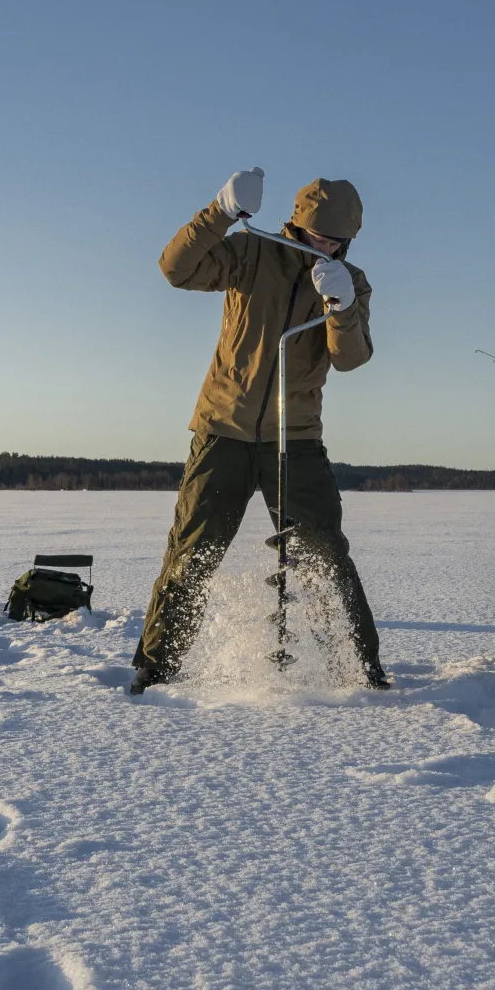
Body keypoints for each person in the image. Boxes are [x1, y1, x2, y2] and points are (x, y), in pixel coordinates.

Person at [129, 167, 388, 693]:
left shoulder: (351, 280)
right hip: (223, 430)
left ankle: (359, 669)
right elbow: (176, 269)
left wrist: (341, 308)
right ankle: (157, 665)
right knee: (193, 550)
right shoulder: (252, 252)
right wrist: (219, 213)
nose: (327, 246)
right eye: (318, 235)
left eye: (337, 240)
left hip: (298, 439)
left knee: (324, 554)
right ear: (298, 222)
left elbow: (351, 358)